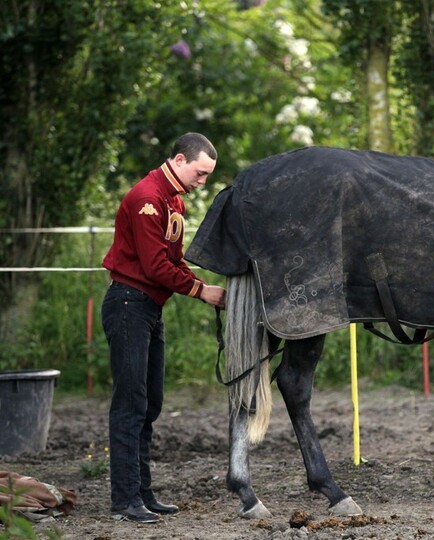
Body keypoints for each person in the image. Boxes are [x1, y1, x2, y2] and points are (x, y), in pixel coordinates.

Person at [101, 132, 226, 523]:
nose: (202, 182)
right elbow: (155, 266)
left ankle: (143, 492)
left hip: (149, 310)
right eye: (200, 173)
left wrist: (202, 281)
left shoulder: (172, 200)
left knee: (150, 403)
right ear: (178, 159)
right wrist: (200, 291)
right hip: (129, 305)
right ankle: (124, 500)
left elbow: (173, 259)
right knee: (130, 404)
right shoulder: (147, 199)